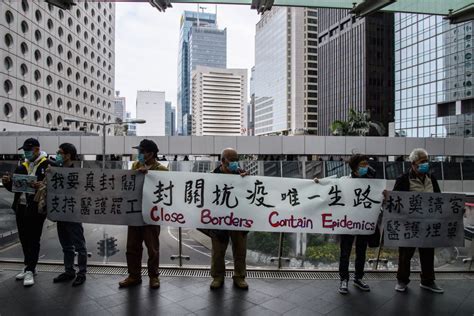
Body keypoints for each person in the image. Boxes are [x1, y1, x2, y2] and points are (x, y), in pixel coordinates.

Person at [119, 139, 168, 289]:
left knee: (152, 248)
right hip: (134, 213)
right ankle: (134, 275)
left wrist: (149, 175)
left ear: (151, 154)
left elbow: (166, 192)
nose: (138, 154)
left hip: (152, 215)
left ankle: (154, 277)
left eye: (141, 152)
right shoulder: (135, 166)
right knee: (132, 246)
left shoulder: (162, 170)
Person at [393, 148, 444, 294]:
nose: (425, 164)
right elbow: (396, 201)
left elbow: (439, 198)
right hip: (409, 224)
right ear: (413, 164)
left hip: (427, 223)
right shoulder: (403, 179)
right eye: (422, 162)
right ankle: (402, 280)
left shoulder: (431, 179)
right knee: (405, 254)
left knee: (428, 253)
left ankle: (428, 281)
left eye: (427, 161)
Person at [1, 138, 50, 287]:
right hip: (21, 207)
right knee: (24, 238)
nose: (26, 153)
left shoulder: (48, 165)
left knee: (34, 238)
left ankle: (30, 269)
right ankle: (28, 266)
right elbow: (15, 189)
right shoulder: (22, 166)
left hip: (36, 208)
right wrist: (8, 182)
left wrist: (41, 186)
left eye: (28, 150)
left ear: (36, 149)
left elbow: (54, 187)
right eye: (24, 151)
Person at [209, 148, 249, 290]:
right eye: (231, 159)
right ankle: (217, 277)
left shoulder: (242, 174)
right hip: (218, 219)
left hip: (238, 219)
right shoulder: (212, 176)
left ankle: (239, 276)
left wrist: (247, 180)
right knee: (218, 251)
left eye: (236, 159)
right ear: (222, 161)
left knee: (240, 250)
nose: (234, 162)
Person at [52, 143, 88, 287]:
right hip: (61, 212)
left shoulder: (78, 172)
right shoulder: (56, 170)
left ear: (68, 155)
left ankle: (82, 273)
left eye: (60, 152)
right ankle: (69, 271)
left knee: (79, 246)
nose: (57, 154)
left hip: (73, 213)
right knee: (66, 245)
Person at [336, 155, 373, 294]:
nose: (366, 167)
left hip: (363, 221)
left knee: (361, 251)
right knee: (345, 252)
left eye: (366, 164)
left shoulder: (371, 182)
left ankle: (358, 278)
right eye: (363, 164)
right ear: (355, 167)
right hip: (348, 222)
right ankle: (343, 280)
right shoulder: (344, 181)